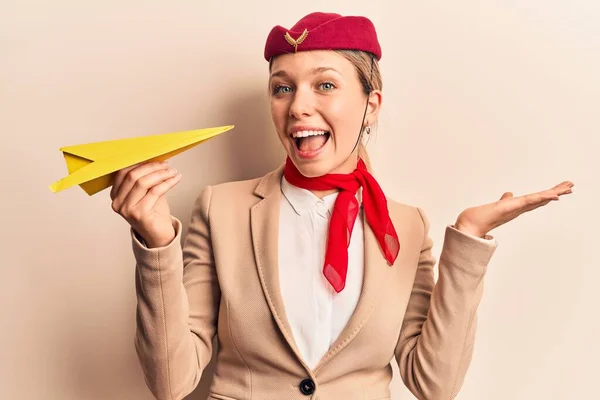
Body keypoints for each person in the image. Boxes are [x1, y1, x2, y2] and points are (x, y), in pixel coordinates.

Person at [109, 12, 573, 400]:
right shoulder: (220, 209)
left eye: (325, 86)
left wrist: (468, 242)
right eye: (282, 88)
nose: (297, 108)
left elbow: (435, 383)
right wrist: (156, 245)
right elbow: (171, 382)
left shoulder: (407, 226)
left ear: (371, 105)